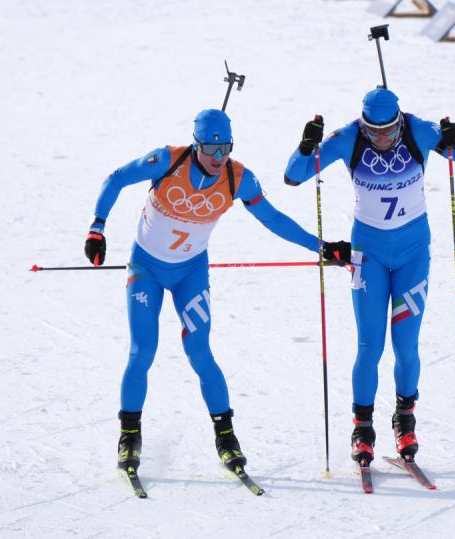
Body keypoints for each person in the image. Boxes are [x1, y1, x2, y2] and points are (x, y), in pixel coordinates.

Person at [85, 109, 349, 476]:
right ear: (196, 144)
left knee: (199, 351)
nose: (218, 157)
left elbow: (273, 218)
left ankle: (226, 437)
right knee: (142, 350)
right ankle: (129, 435)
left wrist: (320, 246)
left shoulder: (238, 178)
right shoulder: (167, 160)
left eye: (225, 148)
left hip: (190, 274)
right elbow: (116, 179)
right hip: (146, 269)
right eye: (211, 149)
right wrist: (97, 228)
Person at [284, 89, 455, 465]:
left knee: (406, 345)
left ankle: (405, 421)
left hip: (413, 255)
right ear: (363, 125)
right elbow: (294, 176)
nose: (381, 139)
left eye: (389, 131)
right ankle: (362, 429)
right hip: (369, 255)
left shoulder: (419, 131)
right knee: (370, 346)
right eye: (373, 132)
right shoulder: (348, 138)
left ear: (399, 121)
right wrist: (305, 147)